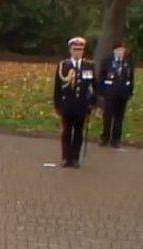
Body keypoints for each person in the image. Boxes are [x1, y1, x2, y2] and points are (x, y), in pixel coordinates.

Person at [53, 37, 96, 168]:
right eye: (75, 50)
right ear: (70, 50)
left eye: (80, 50)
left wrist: (93, 103)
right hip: (67, 105)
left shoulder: (89, 66)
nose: (77, 52)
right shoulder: (63, 66)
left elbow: (94, 86)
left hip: (82, 105)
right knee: (66, 132)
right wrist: (57, 105)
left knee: (78, 132)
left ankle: (75, 158)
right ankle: (66, 157)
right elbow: (57, 87)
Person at [98, 42, 134, 148]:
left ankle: (116, 139)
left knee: (119, 117)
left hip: (122, 93)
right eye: (118, 50)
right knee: (107, 116)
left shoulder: (127, 62)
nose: (121, 52)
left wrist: (130, 92)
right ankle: (105, 138)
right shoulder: (107, 61)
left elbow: (131, 78)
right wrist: (101, 92)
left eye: (122, 50)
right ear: (114, 51)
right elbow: (101, 77)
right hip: (110, 93)